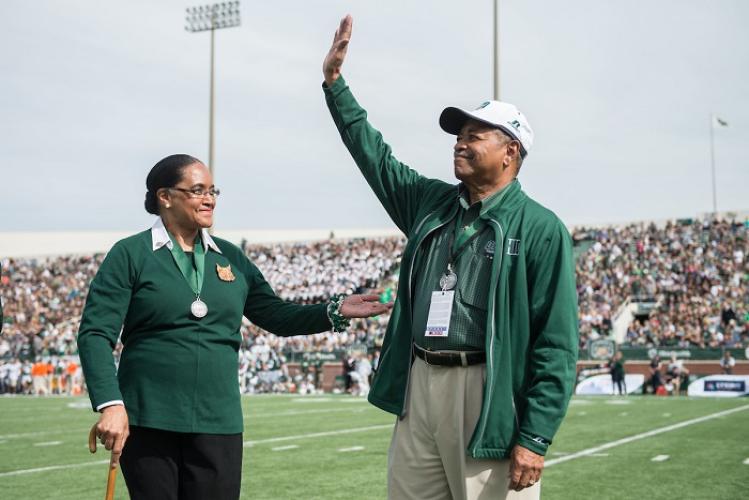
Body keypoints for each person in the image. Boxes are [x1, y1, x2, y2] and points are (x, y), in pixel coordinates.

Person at [321, 16, 578, 500]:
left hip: (487, 390)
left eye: (476, 134)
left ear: (511, 152)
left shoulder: (541, 229)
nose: (461, 141)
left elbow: (557, 344)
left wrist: (535, 437)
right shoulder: (430, 202)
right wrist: (336, 87)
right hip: (420, 383)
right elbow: (375, 157)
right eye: (459, 133)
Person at [77, 154, 391, 500]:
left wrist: (332, 310)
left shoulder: (231, 257)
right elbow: (95, 333)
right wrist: (111, 404)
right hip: (148, 417)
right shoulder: (130, 254)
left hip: (218, 420)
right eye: (197, 190)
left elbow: (274, 315)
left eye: (213, 190)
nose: (209, 199)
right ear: (164, 197)